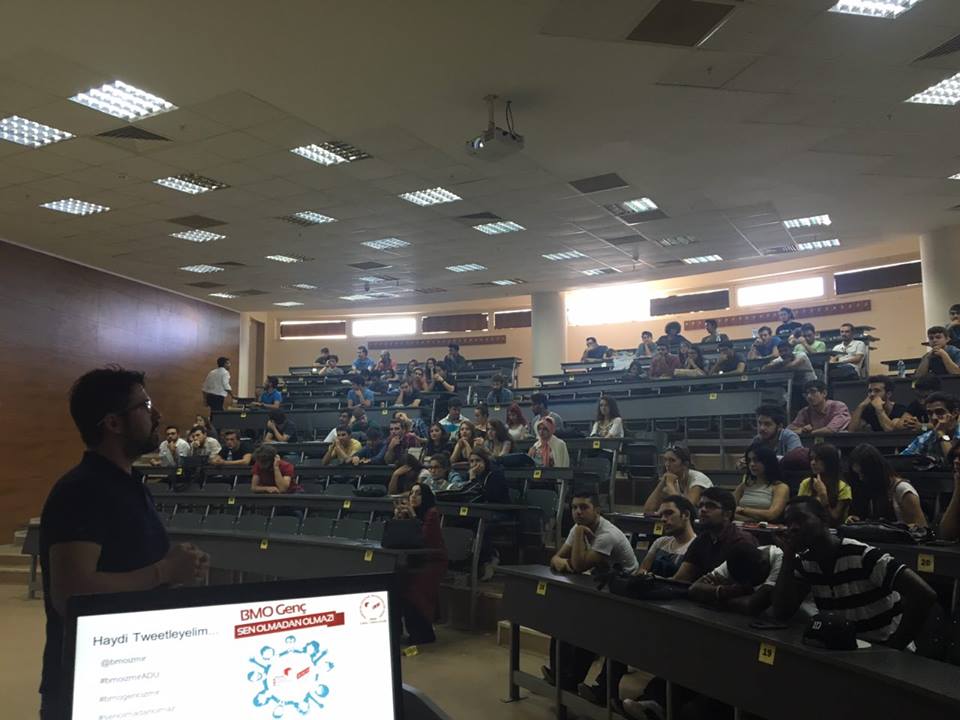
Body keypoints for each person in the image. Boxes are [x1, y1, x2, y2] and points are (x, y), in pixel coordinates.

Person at [39, 367, 208, 719]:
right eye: (144, 406)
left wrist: (176, 567)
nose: (156, 414)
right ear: (113, 423)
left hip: (136, 669)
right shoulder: (82, 490)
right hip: (95, 681)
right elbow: (70, 593)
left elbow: (129, 565)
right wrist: (164, 570)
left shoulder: (130, 484)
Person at [772, 497, 937, 648]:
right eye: (789, 523)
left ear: (824, 519)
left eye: (800, 519)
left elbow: (924, 594)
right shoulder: (806, 563)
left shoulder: (862, 555)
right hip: (847, 649)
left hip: (883, 649)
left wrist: (895, 645)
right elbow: (781, 612)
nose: (793, 528)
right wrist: (788, 557)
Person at [543, 490, 638, 693]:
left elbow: (577, 565)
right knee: (562, 621)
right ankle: (561, 676)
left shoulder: (606, 535)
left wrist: (577, 537)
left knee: (587, 629)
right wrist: (563, 561)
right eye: (574, 507)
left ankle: (571, 681)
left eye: (584, 507)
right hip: (599, 587)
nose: (578, 512)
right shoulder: (579, 527)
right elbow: (555, 559)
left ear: (597, 510)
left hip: (625, 594)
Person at [394, 482, 447, 645]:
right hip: (413, 560)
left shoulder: (432, 514)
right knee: (396, 584)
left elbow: (424, 539)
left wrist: (413, 516)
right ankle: (402, 632)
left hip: (431, 561)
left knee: (412, 588)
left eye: (418, 493)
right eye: (412, 493)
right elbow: (399, 538)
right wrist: (398, 517)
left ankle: (422, 633)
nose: (413, 496)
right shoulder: (410, 513)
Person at [673, 488, 757, 583]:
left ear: (727, 515)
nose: (703, 510)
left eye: (710, 506)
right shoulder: (702, 539)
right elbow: (682, 577)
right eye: (700, 506)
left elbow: (743, 586)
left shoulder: (742, 542)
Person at [689, 543, 783, 615]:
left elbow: (752, 605)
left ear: (763, 564)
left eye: (752, 582)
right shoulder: (740, 557)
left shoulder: (780, 558)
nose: (748, 586)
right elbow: (694, 588)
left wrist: (718, 598)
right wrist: (724, 591)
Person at [850, 444, 928, 527]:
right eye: (858, 475)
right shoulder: (873, 491)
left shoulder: (903, 489)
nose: (861, 478)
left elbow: (921, 527)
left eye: (863, 474)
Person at [637, 495, 697, 577]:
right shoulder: (660, 542)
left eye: (669, 513)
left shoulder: (696, 547)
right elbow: (643, 568)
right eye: (661, 515)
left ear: (686, 515)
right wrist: (643, 575)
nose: (663, 519)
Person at [643, 445, 713, 510]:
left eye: (672, 460)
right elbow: (648, 510)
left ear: (685, 464)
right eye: (665, 460)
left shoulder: (698, 479)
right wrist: (662, 483)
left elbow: (686, 509)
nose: (667, 464)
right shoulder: (673, 479)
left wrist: (670, 484)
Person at [797, 443, 851, 526]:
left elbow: (835, 520)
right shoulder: (806, 483)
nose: (813, 463)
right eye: (811, 459)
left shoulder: (843, 487)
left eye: (818, 459)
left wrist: (823, 496)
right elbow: (798, 513)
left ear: (829, 462)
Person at [900, 391, 960, 465]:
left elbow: (953, 464)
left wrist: (941, 433)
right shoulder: (926, 438)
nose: (934, 417)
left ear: (955, 413)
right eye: (930, 413)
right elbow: (901, 461)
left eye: (939, 412)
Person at [734, 445, 790, 522]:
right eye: (749, 460)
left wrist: (743, 510)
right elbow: (729, 510)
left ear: (767, 462)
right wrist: (750, 520)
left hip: (765, 528)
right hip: (740, 525)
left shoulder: (780, 487)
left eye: (756, 460)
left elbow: (772, 515)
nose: (752, 464)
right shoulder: (744, 486)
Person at [940, 442, 960, 540]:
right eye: (955, 457)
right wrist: (958, 488)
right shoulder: (948, 492)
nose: (956, 461)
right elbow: (946, 534)